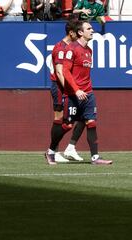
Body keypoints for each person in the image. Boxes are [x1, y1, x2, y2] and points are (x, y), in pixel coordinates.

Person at [61, 21, 111, 164]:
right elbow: (65, 71)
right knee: (67, 125)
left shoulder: (89, 51)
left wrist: (84, 90)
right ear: (80, 32)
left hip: (88, 93)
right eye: (89, 28)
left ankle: (95, 157)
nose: (92, 30)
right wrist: (76, 90)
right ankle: (52, 148)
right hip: (74, 94)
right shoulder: (72, 49)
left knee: (91, 122)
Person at [45, 19, 85, 164]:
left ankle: (70, 147)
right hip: (60, 87)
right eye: (78, 32)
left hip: (72, 88)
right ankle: (53, 152)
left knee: (83, 118)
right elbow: (60, 72)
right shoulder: (60, 48)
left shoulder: (74, 47)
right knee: (60, 120)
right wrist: (71, 90)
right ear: (71, 33)